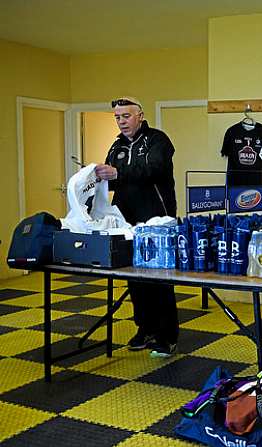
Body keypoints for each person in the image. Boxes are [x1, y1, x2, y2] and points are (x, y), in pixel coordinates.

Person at [95, 97, 179, 358]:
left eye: (126, 116)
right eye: (117, 117)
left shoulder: (158, 140)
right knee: (133, 278)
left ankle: (166, 336)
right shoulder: (116, 146)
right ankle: (145, 329)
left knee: (160, 279)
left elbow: (154, 169)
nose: (121, 121)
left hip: (156, 220)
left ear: (140, 116)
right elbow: (112, 180)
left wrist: (118, 173)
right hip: (125, 221)